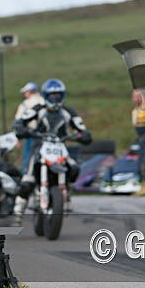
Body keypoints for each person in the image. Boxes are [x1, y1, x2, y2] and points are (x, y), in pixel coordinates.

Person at [10, 79, 92, 225]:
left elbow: (82, 129)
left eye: (58, 95)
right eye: (52, 95)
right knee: (27, 181)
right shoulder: (38, 108)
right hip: (39, 147)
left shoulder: (68, 112)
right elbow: (19, 122)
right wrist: (22, 129)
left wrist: (83, 135)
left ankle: (67, 193)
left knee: (74, 168)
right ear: (45, 96)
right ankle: (18, 212)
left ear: (63, 96)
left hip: (60, 147)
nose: (55, 99)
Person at [14, 82, 45, 172]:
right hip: (45, 134)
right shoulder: (44, 101)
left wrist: (17, 138)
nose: (24, 94)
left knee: (28, 157)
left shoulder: (25, 104)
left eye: (26, 92)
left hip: (30, 134)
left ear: (30, 92)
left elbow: (18, 121)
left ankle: (26, 175)